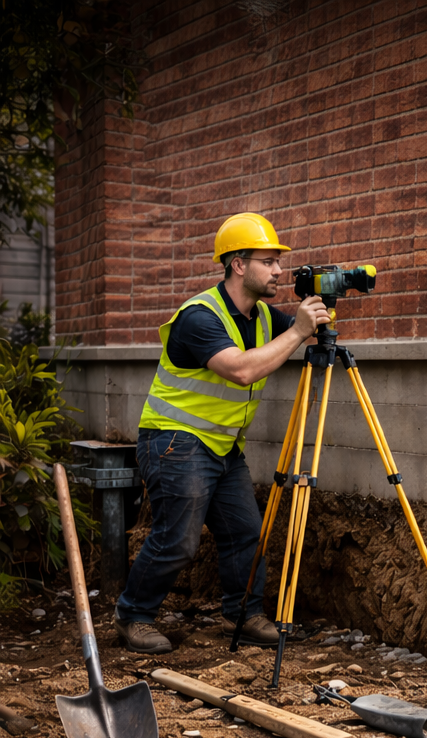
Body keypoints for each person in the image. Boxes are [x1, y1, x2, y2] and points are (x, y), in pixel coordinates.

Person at [114, 213, 329, 654]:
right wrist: (300, 332)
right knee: (178, 539)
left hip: (222, 446)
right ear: (237, 264)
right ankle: (133, 616)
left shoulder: (265, 316)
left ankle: (244, 615)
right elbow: (242, 370)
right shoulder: (199, 316)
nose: (278, 270)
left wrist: (319, 312)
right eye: (268, 261)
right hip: (175, 441)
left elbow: (295, 333)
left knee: (245, 531)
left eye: (278, 262)